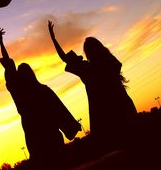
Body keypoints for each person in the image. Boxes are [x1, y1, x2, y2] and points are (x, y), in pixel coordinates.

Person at [0, 27, 81, 170]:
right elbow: (58, 109)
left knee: (42, 166)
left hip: (34, 132)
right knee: (59, 164)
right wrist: (70, 125)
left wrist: (1, 42)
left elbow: (9, 65)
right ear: (32, 74)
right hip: (49, 130)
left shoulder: (19, 92)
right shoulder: (41, 90)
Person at [48, 20, 137, 155]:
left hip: (103, 114)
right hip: (123, 106)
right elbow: (112, 61)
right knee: (132, 142)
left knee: (118, 148)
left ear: (87, 53)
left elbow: (64, 58)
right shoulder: (109, 63)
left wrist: (53, 39)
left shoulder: (86, 69)